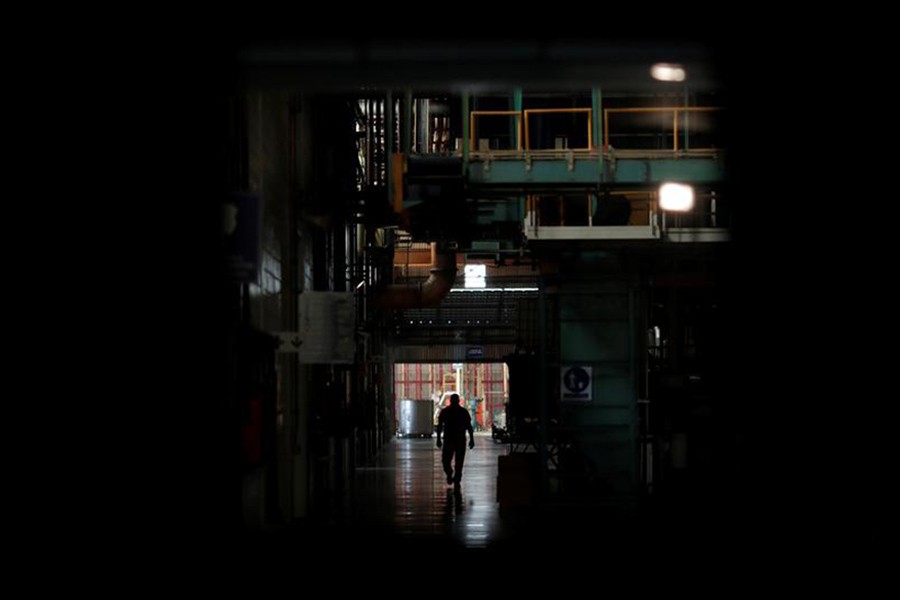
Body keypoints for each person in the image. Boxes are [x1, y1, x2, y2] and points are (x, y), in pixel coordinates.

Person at [436, 393, 475, 486]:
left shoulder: (446, 412)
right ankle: (454, 476)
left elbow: (439, 426)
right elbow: (469, 427)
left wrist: (438, 439)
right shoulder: (462, 412)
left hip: (451, 440)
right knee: (456, 461)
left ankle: (454, 476)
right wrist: (471, 439)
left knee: (449, 461)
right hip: (457, 440)